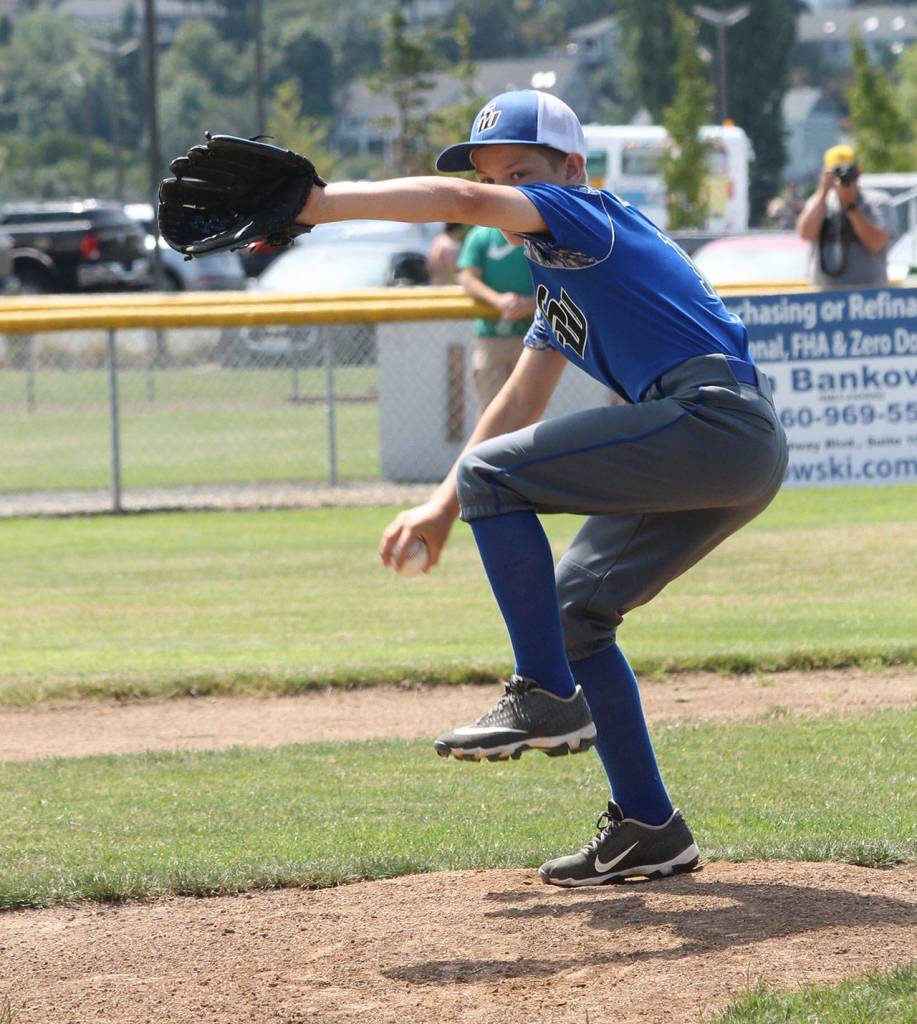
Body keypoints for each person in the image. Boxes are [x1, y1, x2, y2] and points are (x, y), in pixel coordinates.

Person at [296, 90, 788, 888]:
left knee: (499, 478)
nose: (500, 193)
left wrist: (320, 205)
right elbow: (516, 402)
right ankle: (648, 827)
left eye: (517, 174)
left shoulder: (588, 217)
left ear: (573, 170)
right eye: (495, 176)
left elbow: (457, 200)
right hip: (724, 446)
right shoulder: (559, 283)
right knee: (575, 612)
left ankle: (545, 694)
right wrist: (438, 507)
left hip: (711, 423)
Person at [458, 226, 535, 413]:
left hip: (533, 337)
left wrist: (531, 304)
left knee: (527, 410)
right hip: (490, 336)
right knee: (490, 409)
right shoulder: (480, 235)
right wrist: (498, 300)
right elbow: (467, 279)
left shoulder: (535, 233)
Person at [796, 145, 896, 287]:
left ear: (858, 172)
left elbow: (876, 243)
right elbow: (806, 233)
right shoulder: (818, 202)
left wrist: (850, 205)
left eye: (847, 171)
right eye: (835, 172)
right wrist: (823, 193)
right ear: (824, 173)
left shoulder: (877, 202)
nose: (841, 177)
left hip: (869, 297)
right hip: (825, 298)